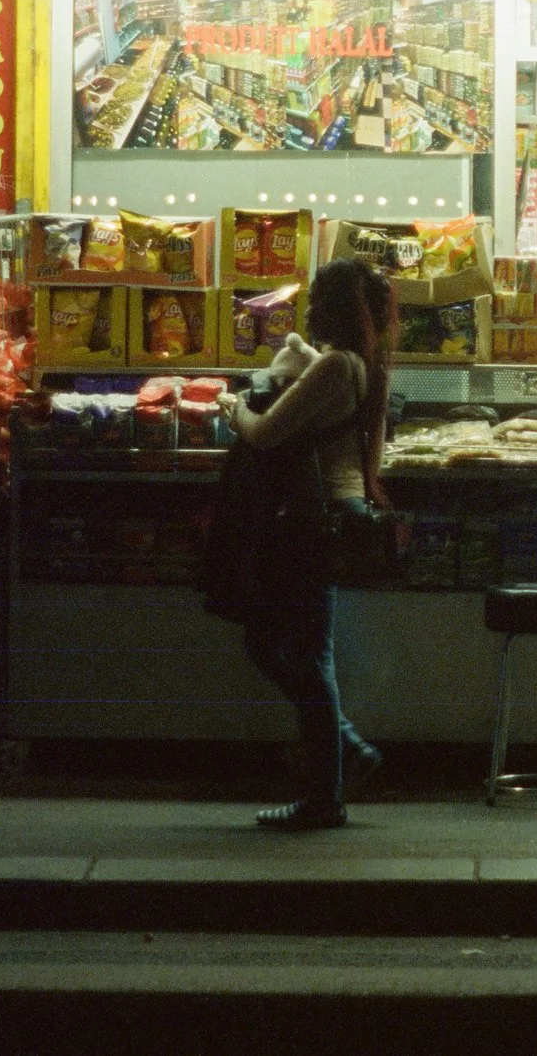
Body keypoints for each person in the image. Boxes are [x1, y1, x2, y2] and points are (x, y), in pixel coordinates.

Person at [226, 256, 396, 831]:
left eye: (317, 297)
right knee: (302, 650)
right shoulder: (364, 365)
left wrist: (235, 407)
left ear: (330, 306)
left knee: (290, 651)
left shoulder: (336, 367)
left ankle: (329, 790)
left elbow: (266, 432)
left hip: (309, 519)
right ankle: (341, 760)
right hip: (333, 515)